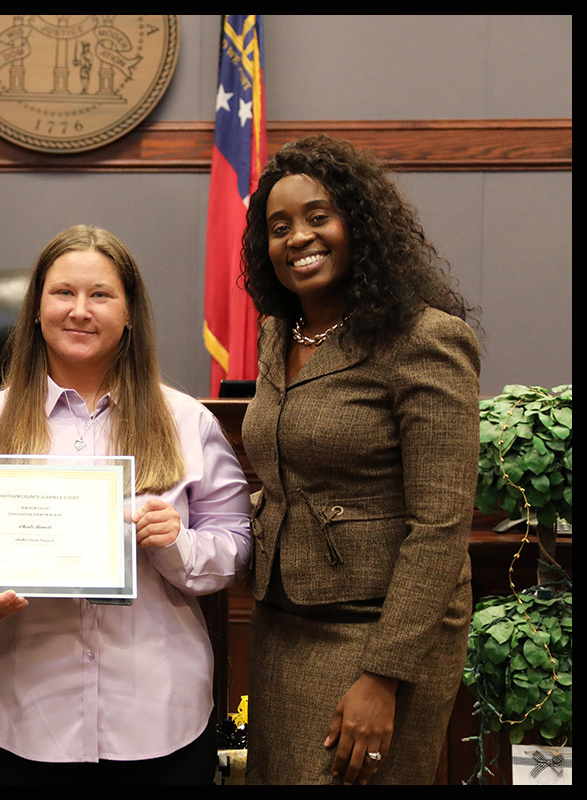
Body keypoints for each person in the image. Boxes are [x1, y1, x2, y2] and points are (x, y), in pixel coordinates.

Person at [0, 225, 251, 784]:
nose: (80, 310)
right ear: (36, 309)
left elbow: (235, 545)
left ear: (129, 313)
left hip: (157, 718)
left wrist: (177, 542)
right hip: (21, 717)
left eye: (100, 295)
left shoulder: (187, 422)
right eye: (63, 292)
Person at [239, 134, 480, 785]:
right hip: (283, 623)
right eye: (279, 227)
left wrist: (383, 675)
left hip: (381, 634)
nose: (298, 237)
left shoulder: (425, 339)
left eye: (318, 216)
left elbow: (440, 527)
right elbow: (287, 480)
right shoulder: (277, 334)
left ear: (362, 225)